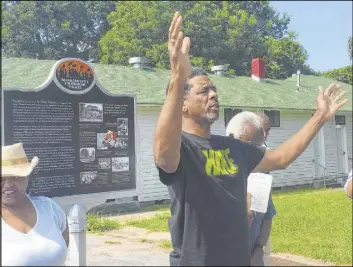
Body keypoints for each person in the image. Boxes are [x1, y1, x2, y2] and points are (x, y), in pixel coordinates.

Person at [153, 12, 348, 266]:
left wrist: (320, 117)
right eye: (204, 91)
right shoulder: (183, 149)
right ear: (183, 105)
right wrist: (178, 76)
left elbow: (281, 158)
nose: (213, 95)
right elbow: (163, 155)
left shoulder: (233, 147)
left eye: (214, 89)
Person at [1, 143, 69, 266]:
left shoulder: (50, 208)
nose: (8, 184)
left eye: (16, 177)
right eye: (1, 179)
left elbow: (63, 245)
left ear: (28, 177)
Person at [226, 111, 272, 266]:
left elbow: (266, 214)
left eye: (266, 132)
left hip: (254, 251)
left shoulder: (262, 166)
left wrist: (259, 248)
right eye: (251, 143)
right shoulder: (219, 168)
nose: (256, 150)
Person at [254, 112, 277, 266]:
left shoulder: (265, 151)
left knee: (260, 257)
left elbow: (266, 203)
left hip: (261, 212)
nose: (265, 133)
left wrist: (259, 245)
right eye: (261, 129)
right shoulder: (235, 150)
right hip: (239, 220)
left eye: (268, 130)